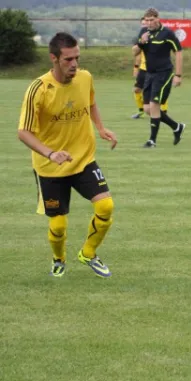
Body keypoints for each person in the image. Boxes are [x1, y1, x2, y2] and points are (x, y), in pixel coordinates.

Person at [17, 32, 117, 278]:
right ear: (54, 58)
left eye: (77, 58)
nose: (75, 64)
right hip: (50, 167)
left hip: (83, 159)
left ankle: (88, 253)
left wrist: (101, 128)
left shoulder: (85, 78)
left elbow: (90, 103)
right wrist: (50, 153)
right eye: (68, 59)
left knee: (106, 206)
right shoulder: (38, 89)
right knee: (58, 225)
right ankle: (59, 258)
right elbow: (24, 132)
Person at [133, 7, 185, 147]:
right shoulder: (144, 32)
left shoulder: (167, 33)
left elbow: (178, 52)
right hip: (149, 73)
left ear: (158, 18)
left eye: (152, 20)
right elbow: (134, 52)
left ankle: (152, 140)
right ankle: (177, 127)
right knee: (147, 109)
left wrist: (178, 75)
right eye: (147, 20)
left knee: (154, 105)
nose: (149, 23)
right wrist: (141, 42)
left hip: (164, 73)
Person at [131, 16, 169, 119]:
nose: (146, 25)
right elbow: (137, 54)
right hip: (143, 69)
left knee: (158, 91)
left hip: (156, 69)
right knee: (137, 89)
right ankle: (141, 111)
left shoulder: (158, 36)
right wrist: (136, 68)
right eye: (143, 23)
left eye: (147, 22)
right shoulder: (141, 37)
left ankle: (164, 111)